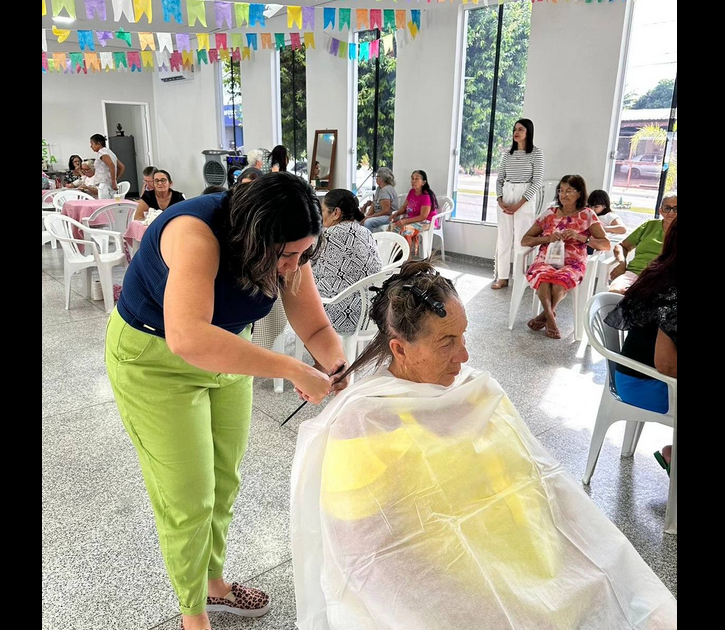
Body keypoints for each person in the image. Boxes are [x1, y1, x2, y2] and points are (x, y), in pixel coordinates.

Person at [291, 261, 677, 630]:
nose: (465, 356)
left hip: (528, 554)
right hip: (450, 579)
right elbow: (367, 555)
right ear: (400, 350)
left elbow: (540, 480)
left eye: (463, 336)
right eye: (447, 342)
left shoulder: (476, 389)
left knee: (621, 596)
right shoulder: (364, 423)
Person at [105, 173, 349, 630]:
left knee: (223, 479)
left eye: (304, 254)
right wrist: (294, 369)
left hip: (228, 354)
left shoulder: (287, 245)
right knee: (187, 497)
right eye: (288, 256)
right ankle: (192, 615)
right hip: (153, 359)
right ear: (255, 240)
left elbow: (315, 328)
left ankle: (213, 583)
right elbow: (188, 337)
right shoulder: (197, 234)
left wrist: (335, 368)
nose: (295, 267)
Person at [605, 217, 677, 474]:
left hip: (655, 375)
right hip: (643, 381)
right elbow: (667, 365)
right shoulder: (672, 290)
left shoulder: (664, 269)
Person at [521, 175, 610, 339]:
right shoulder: (549, 213)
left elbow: (606, 244)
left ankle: (544, 316)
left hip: (573, 263)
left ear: (579, 193)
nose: (563, 195)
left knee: (559, 281)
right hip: (546, 259)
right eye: (561, 190)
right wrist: (547, 238)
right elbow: (525, 240)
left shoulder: (588, 214)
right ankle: (550, 317)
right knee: (543, 276)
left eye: (569, 191)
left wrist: (581, 238)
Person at [313, 189, 382, 335]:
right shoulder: (367, 233)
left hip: (340, 314)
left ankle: (325, 357)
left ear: (336, 213)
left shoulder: (325, 237)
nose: (321, 215)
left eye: (323, 210)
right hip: (371, 311)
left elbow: (306, 268)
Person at [491, 119, 545, 290]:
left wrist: (519, 203)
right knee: (504, 238)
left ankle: (520, 278)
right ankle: (503, 277)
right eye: (515, 129)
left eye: (520, 129)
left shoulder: (536, 153)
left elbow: (536, 182)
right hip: (507, 193)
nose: (516, 132)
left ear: (528, 132)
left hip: (525, 197)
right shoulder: (508, 154)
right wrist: (500, 200)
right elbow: (499, 180)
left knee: (522, 239)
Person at [609, 192, 677, 294]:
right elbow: (622, 246)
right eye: (667, 208)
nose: (671, 213)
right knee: (615, 291)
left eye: (676, 208)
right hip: (634, 272)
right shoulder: (649, 225)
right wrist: (622, 263)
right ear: (660, 210)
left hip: (663, 278)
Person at [389, 170, 438, 257]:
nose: (413, 181)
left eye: (416, 179)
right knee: (393, 226)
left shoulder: (426, 196)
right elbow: (404, 207)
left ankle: (407, 259)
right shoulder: (412, 191)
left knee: (406, 229)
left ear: (423, 182)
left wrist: (405, 221)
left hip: (427, 222)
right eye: (412, 178)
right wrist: (396, 214)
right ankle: (395, 255)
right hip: (413, 219)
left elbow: (423, 216)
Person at [587, 189, 626, 254]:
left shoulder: (608, 216)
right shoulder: (587, 213)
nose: (592, 209)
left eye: (596, 206)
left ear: (605, 205)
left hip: (594, 246)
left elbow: (622, 229)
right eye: (591, 206)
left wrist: (600, 229)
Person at [361, 167, 399, 233]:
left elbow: (386, 211)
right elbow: (374, 204)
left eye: (377, 176)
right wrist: (367, 216)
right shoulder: (379, 188)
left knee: (368, 222)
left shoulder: (386, 190)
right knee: (361, 220)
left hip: (389, 216)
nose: (376, 178)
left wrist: (369, 217)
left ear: (382, 178)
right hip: (380, 215)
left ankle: (369, 241)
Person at [89, 134, 126, 199]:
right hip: (110, 184)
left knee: (104, 205)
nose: (91, 146)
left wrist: (113, 181)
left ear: (98, 144)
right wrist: (114, 179)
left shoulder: (102, 153)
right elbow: (122, 167)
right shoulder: (110, 152)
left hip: (104, 185)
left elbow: (111, 165)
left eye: (92, 144)